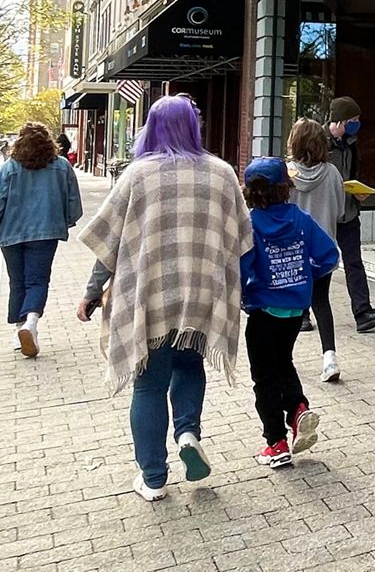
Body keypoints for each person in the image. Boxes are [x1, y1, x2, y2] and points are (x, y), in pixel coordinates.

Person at [77, 94, 253, 502]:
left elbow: (110, 244)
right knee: (190, 365)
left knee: (149, 385)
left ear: (151, 128)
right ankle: (188, 432)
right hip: (203, 294)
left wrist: (90, 294)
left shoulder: (138, 175)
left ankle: (154, 478)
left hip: (151, 297)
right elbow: (242, 238)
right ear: (195, 127)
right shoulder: (222, 173)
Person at [240, 157, 339, 469]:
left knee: (264, 377)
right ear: (286, 187)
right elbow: (328, 256)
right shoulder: (301, 218)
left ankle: (276, 442)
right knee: (283, 361)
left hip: (263, 312)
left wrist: (240, 294)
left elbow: (241, 266)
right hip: (295, 311)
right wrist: (307, 273)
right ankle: (297, 408)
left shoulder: (250, 224)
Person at [1, 122, 82, 357]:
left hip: (11, 233)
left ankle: (19, 330)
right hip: (46, 232)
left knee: (17, 281)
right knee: (37, 280)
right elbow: (74, 203)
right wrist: (64, 221)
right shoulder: (62, 166)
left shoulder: (9, 168)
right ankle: (31, 323)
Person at [326, 96, 375, 333]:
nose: (357, 124)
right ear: (340, 120)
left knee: (354, 262)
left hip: (348, 213)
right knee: (316, 263)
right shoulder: (319, 143)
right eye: (353, 120)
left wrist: (358, 192)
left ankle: (363, 312)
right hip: (324, 214)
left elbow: (353, 172)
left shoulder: (351, 143)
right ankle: (303, 313)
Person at [288, 119, 346, 383]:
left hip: (292, 251)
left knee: (291, 306)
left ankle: (284, 358)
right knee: (321, 302)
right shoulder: (332, 173)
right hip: (323, 251)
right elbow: (341, 212)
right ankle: (329, 358)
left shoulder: (286, 174)